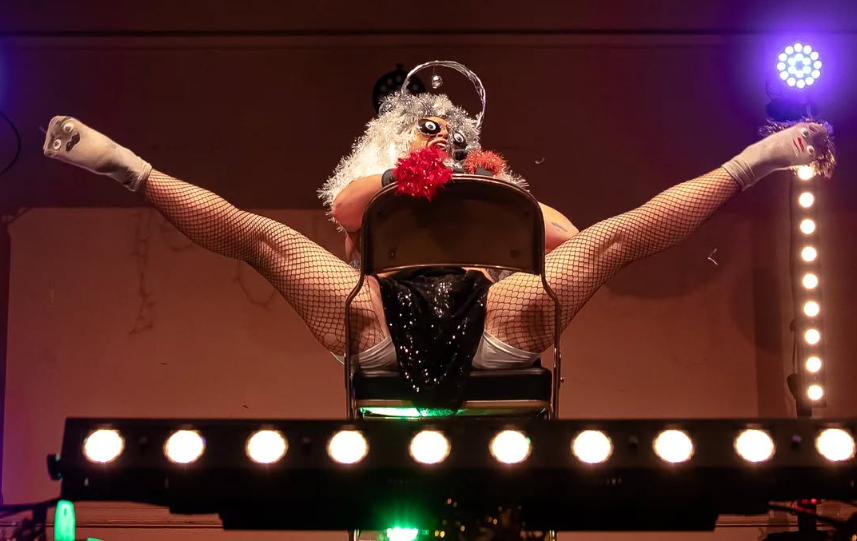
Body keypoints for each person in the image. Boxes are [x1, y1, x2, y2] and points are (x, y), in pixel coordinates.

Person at [42, 76, 833, 409]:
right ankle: (124, 165)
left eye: (448, 132)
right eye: (426, 129)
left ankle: (757, 158)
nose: (440, 138)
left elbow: (563, 238)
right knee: (261, 237)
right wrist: (409, 175)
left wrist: (492, 187)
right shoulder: (374, 182)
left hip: (497, 316)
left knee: (616, 239)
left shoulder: (491, 183)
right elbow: (347, 210)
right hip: (379, 317)